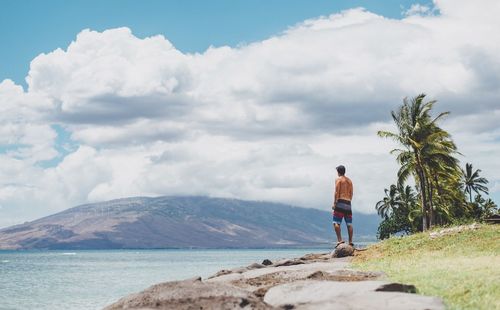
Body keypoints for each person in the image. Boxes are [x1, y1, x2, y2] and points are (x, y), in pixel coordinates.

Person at [332, 165, 354, 247]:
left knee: (336, 222)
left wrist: (335, 203)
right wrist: (348, 201)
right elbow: (351, 193)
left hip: (340, 201)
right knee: (349, 223)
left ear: (338, 172)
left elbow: (337, 192)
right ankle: (350, 241)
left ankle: (340, 240)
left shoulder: (338, 179)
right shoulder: (349, 181)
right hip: (348, 203)